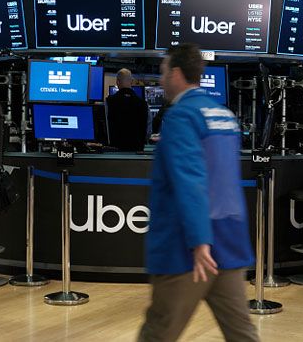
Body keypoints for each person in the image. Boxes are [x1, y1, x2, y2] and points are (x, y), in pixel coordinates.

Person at [138, 44, 259, 342]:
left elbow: (189, 180)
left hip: (189, 249)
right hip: (229, 244)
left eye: (164, 71)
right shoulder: (225, 116)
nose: (161, 78)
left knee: (158, 330)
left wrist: (199, 241)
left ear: (177, 73)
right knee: (241, 332)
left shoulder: (181, 117)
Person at [106, 68, 149, 151]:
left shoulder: (109, 102)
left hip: (114, 152)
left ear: (117, 82)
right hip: (137, 152)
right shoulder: (143, 103)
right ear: (132, 81)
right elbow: (148, 131)